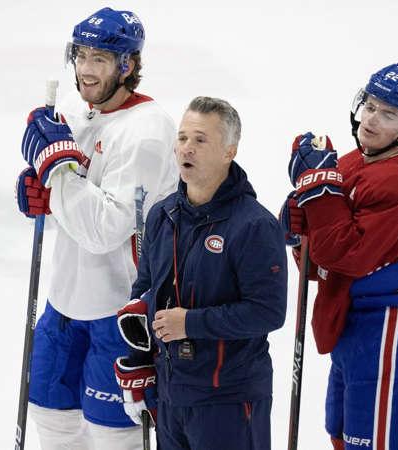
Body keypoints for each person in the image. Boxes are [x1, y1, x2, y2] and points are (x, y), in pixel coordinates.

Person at [16, 7, 178, 449]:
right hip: (63, 301)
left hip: (117, 310)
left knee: (112, 437)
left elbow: (105, 229)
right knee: (49, 422)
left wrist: (58, 173)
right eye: (81, 56)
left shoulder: (147, 131)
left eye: (100, 60)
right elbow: (67, 201)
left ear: (127, 65)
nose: (85, 70)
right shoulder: (73, 108)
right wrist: (41, 195)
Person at [281, 63, 398, 450]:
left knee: (375, 441)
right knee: (343, 431)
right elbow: (320, 257)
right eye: (370, 106)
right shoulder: (355, 161)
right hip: (356, 319)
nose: (371, 120)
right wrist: (297, 227)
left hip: (391, 323)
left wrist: (318, 190)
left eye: (388, 114)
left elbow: (347, 255)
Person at [115, 96, 287, 450]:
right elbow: (144, 294)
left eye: (200, 140)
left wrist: (190, 324)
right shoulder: (162, 216)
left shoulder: (254, 225)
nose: (186, 149)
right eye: (181, 138)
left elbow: (267, 311)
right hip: (170, 394)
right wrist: (140, 361)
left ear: (229, 151)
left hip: (229, 399)